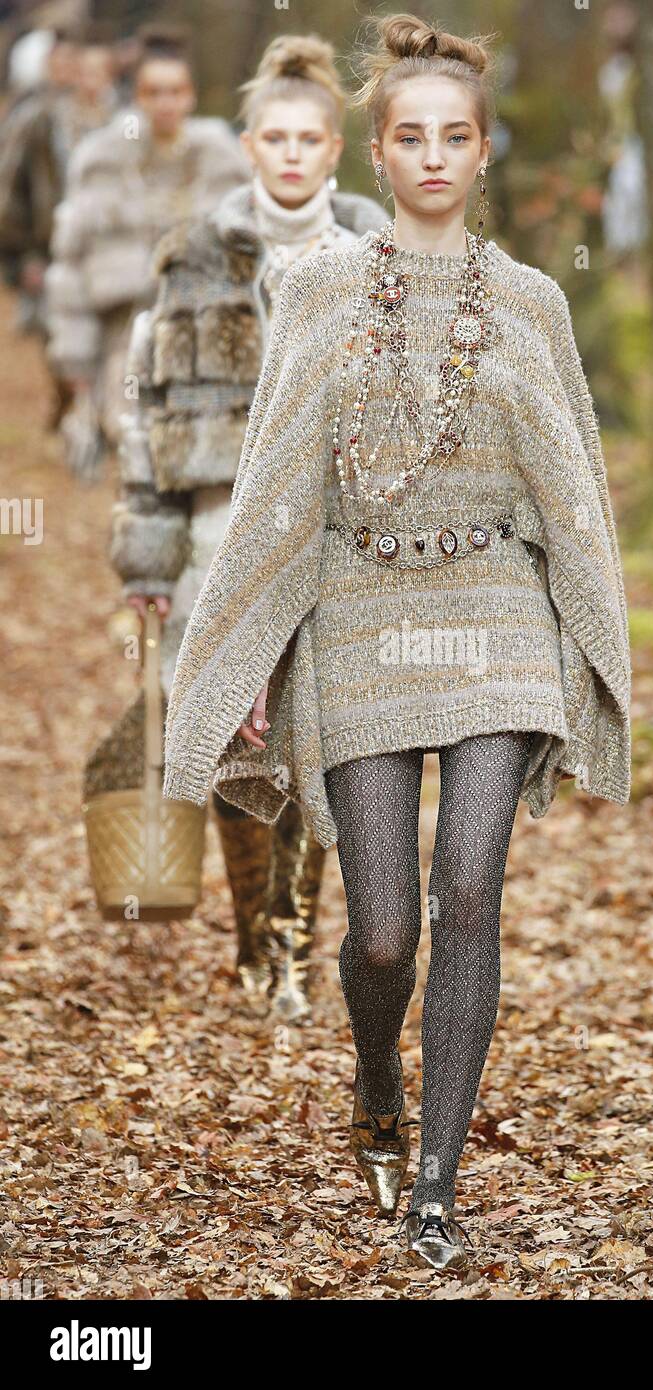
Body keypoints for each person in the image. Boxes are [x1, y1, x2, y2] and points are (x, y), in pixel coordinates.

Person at [160, 12, 631, 1270]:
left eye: (455, 136)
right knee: (380, 932)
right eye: (410, 136)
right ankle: (377, 1072)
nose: (433, 156)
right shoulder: (313, 290)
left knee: (468, 883)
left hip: (496, 618)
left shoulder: (531, 304)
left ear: (485, 152)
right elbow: (276, 490)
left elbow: (573, 492)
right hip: (361, 614)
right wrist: (255, 647)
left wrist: (591, 656)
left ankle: (435, 1180)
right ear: (378, 150)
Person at [103, 34, 387, 1018]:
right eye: (276, 136)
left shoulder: (376, 255)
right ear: (251, 144)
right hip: (215, 534)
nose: (294, 154)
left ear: (335, 151)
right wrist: (146, 550)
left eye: (312, 138)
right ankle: (249, 938)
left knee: (313, 736)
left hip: (335, 534)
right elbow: (148, 407)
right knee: (226, 733)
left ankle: (295, 950)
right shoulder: (191, 258)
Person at [44, 23, 249, 476]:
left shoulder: (221, 162)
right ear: (136, 95)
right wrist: (74, 361)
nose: (165, 103)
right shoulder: (102, 161)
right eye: (153, 91)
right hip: (121, 347)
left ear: (191, 95)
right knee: (134, 472)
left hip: (202, 348)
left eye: (175, 90)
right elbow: (71, 270)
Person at [0, 25, 116, 425]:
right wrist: (23, 255)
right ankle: (65, 396)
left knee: (104, 335)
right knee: (58, 336)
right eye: (64, 64)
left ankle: (95, 410)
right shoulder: (38, 119)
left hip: (106, 251)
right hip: (49, 249)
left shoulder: (121, 121)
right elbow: (11, 187)